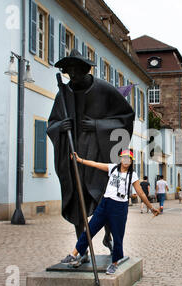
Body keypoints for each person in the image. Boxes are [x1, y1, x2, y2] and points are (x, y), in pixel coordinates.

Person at [47, 49, 135, 254]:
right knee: (77, 202)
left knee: (104, 197)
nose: (72, 76)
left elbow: (126, 117)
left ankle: (108, 236)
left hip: (98, 153)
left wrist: (97, 125)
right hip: (74, 155)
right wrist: (61, 127)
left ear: (85, 69)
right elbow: (52, 123)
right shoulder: (64, 93)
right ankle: (82, 249)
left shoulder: (103, 89)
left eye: (76, 71)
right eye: (69, 72)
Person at [61, 150, 159, 274]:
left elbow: (141, 193)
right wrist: (80, 160)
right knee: (90, 229)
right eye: (124, 158)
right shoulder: (112, 168)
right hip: (105, 203)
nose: (125, 160)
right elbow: (95, 164)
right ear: (120, 159)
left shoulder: (132, 175)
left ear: (131, 161)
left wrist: (150, 207)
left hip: (120, 207)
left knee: (118, 236)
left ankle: (114, 263)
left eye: (128, 158)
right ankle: (74, 254)